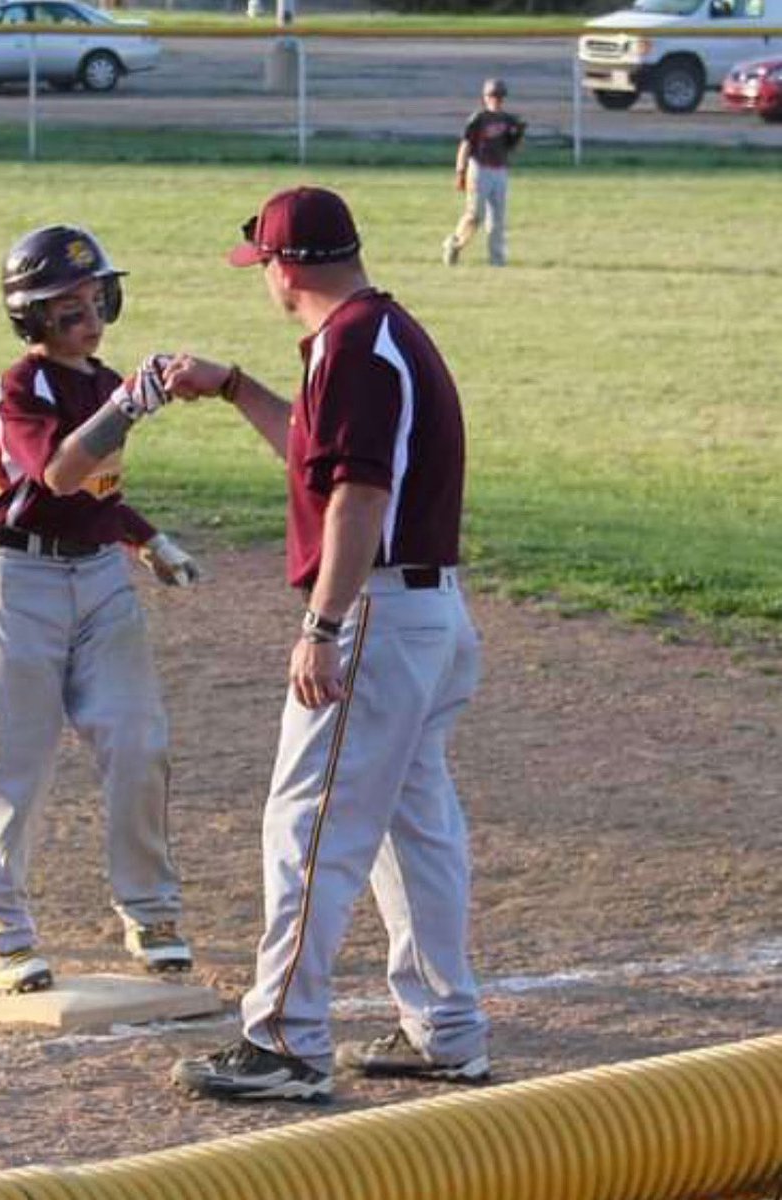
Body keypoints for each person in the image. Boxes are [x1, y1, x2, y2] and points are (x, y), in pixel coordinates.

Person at [165, 186, 490, 1102]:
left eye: (262, 264)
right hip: (423, 612)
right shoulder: (369, 333)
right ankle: (445, 1029)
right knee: (410, 824)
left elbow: (357, 499)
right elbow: (316, 454)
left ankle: (285, 1043)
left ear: (286, 266)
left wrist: (324, 626)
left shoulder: (351, 349)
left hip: (379, 613)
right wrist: (231, 386)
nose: (261, 279)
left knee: (308, 826)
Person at [0, 224, 197, 994]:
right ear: (32, 322)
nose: (88, 321)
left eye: (95, 301)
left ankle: (151, 910)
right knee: (14, 763)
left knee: (137, 739)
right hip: (20, 587)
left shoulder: (103, 385)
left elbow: (100, 495)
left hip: (99, 580)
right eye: (67, 311)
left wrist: (146, 538)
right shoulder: (21, 387)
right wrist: (131, 405)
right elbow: (60, 476)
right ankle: (1, 932)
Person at [442, 77, 526, 268]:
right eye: (492, 95)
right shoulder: (478, 119)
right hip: (479, 169)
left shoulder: (508, 120)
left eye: (499, 96)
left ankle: (497, 260)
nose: (496, 99)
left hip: (499, 170)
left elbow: (513, 148)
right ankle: (454, 243)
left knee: (497, 219)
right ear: (485, 97)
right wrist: (460, 172)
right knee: (475, 214)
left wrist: (518, 135)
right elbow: (466, 145)